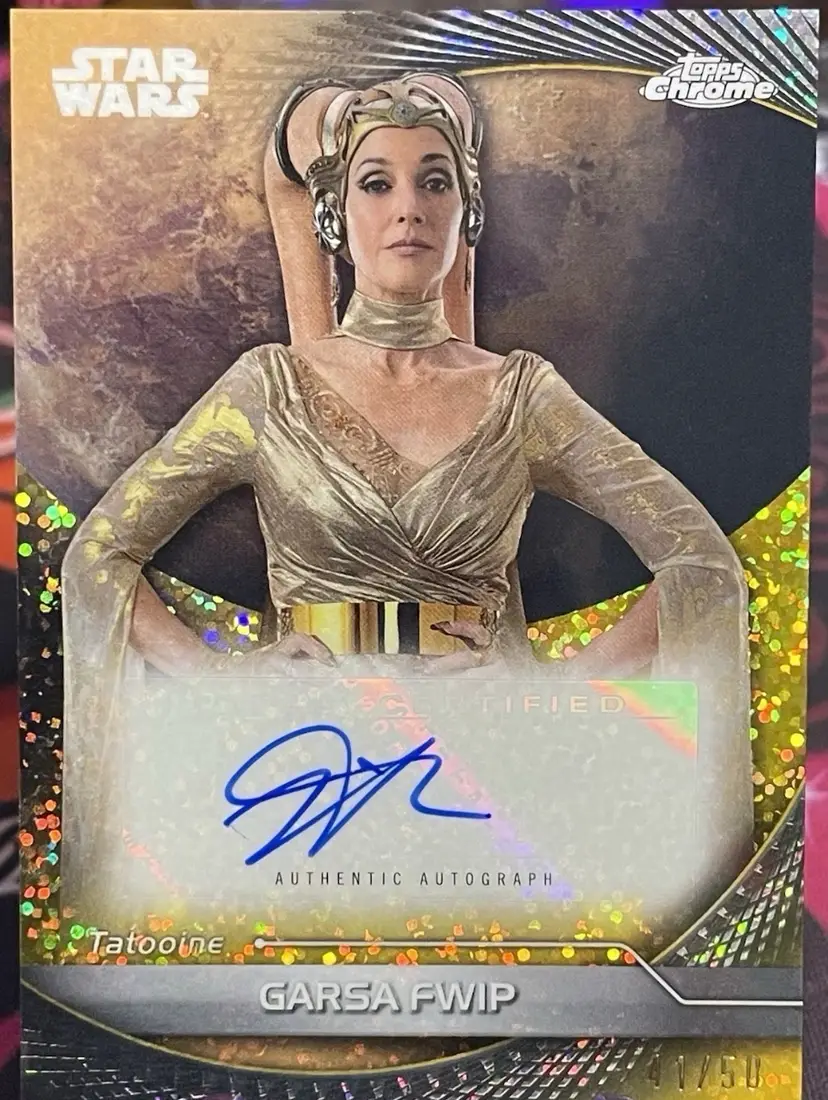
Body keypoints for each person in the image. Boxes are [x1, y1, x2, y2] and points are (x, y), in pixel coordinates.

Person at [60, 72, 753, 893]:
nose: (409, 209)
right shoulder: (266, 388)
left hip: (488, 777)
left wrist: (562, 689)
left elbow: (701, 562)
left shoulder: (522, 395)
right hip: (300, 776)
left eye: (435, 181)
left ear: (468, 210)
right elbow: (98, 554)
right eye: (376, 183)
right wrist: (220, 676)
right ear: (333, 212)